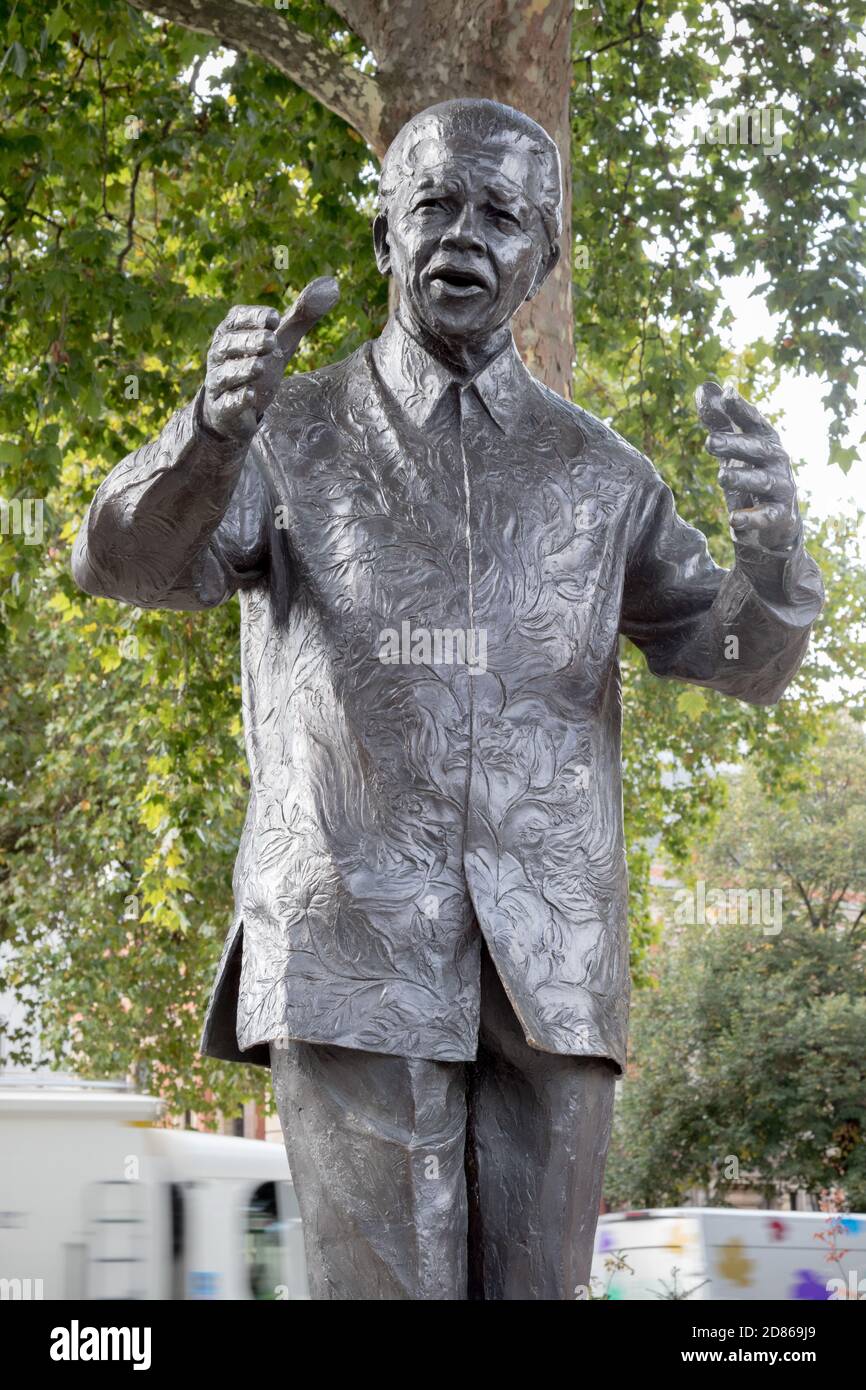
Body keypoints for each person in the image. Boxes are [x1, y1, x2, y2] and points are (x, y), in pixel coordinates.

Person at [72, 98, 823, 1300]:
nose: (460, 236)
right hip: (350, 941)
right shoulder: (288, 435)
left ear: (544, 258)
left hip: (552, 966)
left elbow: (732, 654)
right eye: (431, 204)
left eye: (501, 214)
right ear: (384, 238)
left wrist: (777, 563)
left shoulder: (602, 476)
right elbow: (130, 564)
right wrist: (207, 439)